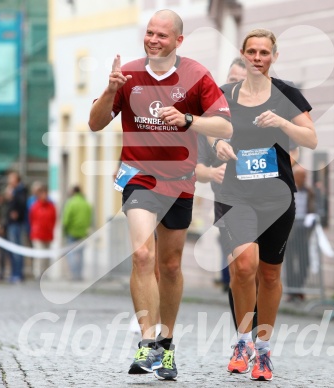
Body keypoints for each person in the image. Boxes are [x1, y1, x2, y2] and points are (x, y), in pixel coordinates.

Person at [88, 9, 232, 380]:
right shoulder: (129, 74)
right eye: (149, 33)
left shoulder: (197, 75)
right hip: (138, 176)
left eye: (162, 35)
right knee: (141, 254)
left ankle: (166, 344)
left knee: (169, 265)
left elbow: (224, 125)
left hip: (180, 181)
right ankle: (147, 341)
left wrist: (189, 120)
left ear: (178, 41)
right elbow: (95, 122)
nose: (153, 40)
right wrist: (110, 90)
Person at [213, 28, 316, 381]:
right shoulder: (225, 94)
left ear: (274, 56)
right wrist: (217, 146)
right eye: (252, 52)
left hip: (275, 196)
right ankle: (242, 342)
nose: (257, 58)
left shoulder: (286, 94)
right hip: (234, 193)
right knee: (244, 265)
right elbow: (209, 131)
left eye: (264, 52)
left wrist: (283, 121)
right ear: (243, 54)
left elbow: (311, 139)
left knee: (270, 273)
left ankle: (264, 350)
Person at [196, 57, 247, 294]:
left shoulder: (267, 117)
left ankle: (260, 325)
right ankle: (244, 329)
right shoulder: (213, 120)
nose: (234, 87)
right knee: (238, 269)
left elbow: (289, 155)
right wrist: (212, 172)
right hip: (227, 204)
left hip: (264, 204)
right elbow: (196, 168)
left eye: (242, 82)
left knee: (261, 271)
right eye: (231, 80)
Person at [284, 164, 315, 302]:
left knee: (305, 261)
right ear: (295, 176)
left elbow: (313, 209)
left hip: (303, 231)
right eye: (302, 176)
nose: (304, 179)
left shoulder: (309, 192)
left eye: (305, 176)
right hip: (289, 232)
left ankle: (299, 287)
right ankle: (292, 289)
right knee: (290, 262)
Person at [62, 186, 92, 281]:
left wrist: (64, 231)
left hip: (72, 232)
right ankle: (79, 274)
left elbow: (66, 219)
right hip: (83, 233)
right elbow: (90, 219)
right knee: (81, 254)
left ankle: (73, 274)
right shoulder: (86, 203)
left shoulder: (71, 203)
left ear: (73, 192)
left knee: (71, 254)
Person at [29, 185, 57, 280]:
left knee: (46, 256)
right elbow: (32, 219)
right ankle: (38, 273)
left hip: (47, 234)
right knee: (39, 255)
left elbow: (54, 219)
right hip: (38, 234)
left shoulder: (51, 206)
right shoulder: (35, 206)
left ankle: (45, 272)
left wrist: (50, 229)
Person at [6, 171, 28, 283]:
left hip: (17, 223)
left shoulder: (21, 190)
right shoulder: (12, 191)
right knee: (11, 250)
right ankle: (14, 272)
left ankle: (18, 274)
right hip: (11, 223)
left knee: (17, 249)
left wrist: (16, 212)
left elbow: (22, 204)